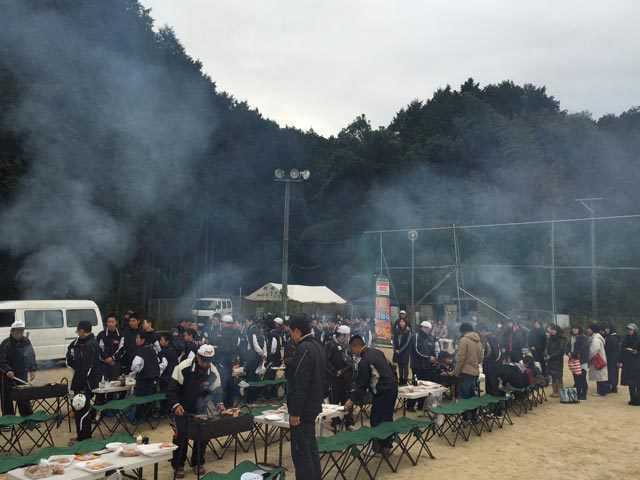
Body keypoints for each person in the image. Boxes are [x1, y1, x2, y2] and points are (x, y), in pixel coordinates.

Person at [167, 344, 224, 478]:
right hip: (182, 408)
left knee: (202, 436)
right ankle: (178, 465)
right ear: (197, 356)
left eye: (209, 361)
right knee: (181, 437)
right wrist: (176, 405)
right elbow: (171, 390)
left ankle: (198, 463)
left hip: (200, 409)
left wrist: (220, 403)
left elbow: (216, 391)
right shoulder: (183, 367)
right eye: (203, 360)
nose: (206, 364)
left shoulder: (213, 371)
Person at [286, 316, 325, 480]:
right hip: (313, 405)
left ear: (297, 331)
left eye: (290, 333)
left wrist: (295, 412)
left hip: (303, 410)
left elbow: (300, 383)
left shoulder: (304, 348)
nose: (290, 337)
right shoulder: (318, 345)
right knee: (310, 448)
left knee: (301, 453)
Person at [345, 336, 397, 454]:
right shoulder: (377, 352)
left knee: (376, 419)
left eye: (352, 349)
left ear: (357, 346)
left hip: (383, 391)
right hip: (392, 388)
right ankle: (387, 446)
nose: (353, 352)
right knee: (387, 418)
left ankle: (378, 447)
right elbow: (391, 368)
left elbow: (362, 385)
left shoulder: (364, 361)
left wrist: (351, 400)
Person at [66, 320, 101, 443]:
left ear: (82, 330)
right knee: (79, 408)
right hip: (81, 380)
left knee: (82, 409)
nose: (77, 333)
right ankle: (82, 436)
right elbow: (71, 361)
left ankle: (83, 438)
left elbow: (89, 367)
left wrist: (83, 384)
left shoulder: (90, 344)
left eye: (77, 331)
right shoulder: (81, 343)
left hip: (84, 383)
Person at [0, 320, 36, 416]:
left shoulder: (26, 341)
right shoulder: (6, 343)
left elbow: (31, 355)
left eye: (21, 331)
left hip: (22, 374)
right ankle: (8, 418)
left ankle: (27, 417)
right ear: (12, 331)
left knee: (24, 396)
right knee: (7, 398)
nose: (20, 334)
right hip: (7, 376)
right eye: (17, 331)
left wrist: (32, 369)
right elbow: (1, 360)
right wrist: (7, 370)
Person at [324, 325, 355, 430]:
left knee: (347, 400)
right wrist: (334, 371)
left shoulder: (348, 345)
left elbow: (351, 360)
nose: (348, 337)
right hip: (335, 380)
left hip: (347, 379)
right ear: (343, 335)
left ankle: (349, 423)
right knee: (334, 401)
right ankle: (335, 422)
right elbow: (325, 361)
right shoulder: (330, 345)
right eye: (347, 335)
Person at [407, 321, 439, 412]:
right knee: (416, 385)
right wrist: (428, 357)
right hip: (417, 366)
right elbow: (416, 351)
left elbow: (431, 350)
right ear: (423, 328)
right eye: (428, 329)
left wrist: (434, 358)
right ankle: (410, 406)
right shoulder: (415, 336)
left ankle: (421, 406)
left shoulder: (429, 338)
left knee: (425, 386)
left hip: (427, 366)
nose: (429, 331)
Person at [130, 332, 161, 420]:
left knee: (140, 398)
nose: (136, 340)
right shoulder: (152, 349)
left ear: (143, 340)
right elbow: (158, 361)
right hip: (152, 379)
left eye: (137, 338)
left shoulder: (140, 351)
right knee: (149, 398)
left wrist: (133, 374)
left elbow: (135, 366)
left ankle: (138, 416)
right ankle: (148, 416)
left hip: (142, 379)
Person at [453, 323, 483, 401]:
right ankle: (472, 409)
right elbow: (480, 359)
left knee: (464, 397)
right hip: (475, 372)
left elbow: (461, 357)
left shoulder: (464, 340)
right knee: (471, 397)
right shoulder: (478, 341)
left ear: (463, 331)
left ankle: (465, 410)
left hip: (466, 372)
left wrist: (457, 371)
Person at [216, 315, 239, 408]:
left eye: (222, 322)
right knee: (230, 382)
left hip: (223, 361)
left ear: (225, 323)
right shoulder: (235, 332)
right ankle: (230, 404)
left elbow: (224, 348)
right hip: (230, 361)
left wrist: (217, 350)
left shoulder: (224, 333)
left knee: (224, 383)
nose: (221, 324)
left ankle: (225, 405)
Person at [619, 323, 640, 405]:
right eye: (628, 329)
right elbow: (621, 350)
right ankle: (633, 399)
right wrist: (620, 361)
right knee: (630, 382)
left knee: (637, 383)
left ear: (635, 330)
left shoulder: (638, 338)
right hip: (627, 363)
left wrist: (636, 352)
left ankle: (638, 400)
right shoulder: (625, 338)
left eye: (631, 329)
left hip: (636, 364)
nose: (629, 330)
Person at [566, 324, 590, 400]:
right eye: (573, 328)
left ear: (579, 329)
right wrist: (568, 352)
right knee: (576, 378)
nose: (574, 330)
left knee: (582, 378)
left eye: (576, 328)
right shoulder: (572, 337)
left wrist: (573, 354)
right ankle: (578, 393)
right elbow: (567, 347)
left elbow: (583, 349)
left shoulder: (583, 337)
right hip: (573, 361)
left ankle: (584, 394)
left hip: (581, 361)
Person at [478, 323, 501, 397]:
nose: (480, 334)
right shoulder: (490, 338)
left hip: (491, 365)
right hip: (491, 364)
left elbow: (495, 353)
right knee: (490, 382)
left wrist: (487, 359)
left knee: (491, 382)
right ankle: (491, 395)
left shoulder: (491, 339)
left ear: (483, 331)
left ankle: (492, 398)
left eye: (480, 332)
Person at [545, 324, 566, 398]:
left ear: (557, 330)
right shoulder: (550, 338)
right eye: (551, 329)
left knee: (558, 376)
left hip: (557, 360)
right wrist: (547, 355)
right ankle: (554, 391)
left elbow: (560, 351)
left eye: (553, 330)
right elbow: (547, 348)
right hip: (550, 360)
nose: (552, 331)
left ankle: (560, 392)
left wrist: (551, 356)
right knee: (553, 376)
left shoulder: (562, 339)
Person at [587, 324, 608, 396]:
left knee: (600, 376)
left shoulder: (596, 339)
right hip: (599, 359)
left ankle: (602, 392)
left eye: (589, 329)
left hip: (598, 359)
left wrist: (588, 357)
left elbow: (593, 350)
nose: (588, 330)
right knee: (600, 375)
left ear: (593, 330)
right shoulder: (596, 337)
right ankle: (601, 391)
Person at [392, 317, 412, 385]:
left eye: (403, 321)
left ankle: (405, 380)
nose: (401, 323)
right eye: (400, 321)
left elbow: (406, 343)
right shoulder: (397, 331)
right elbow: (394, 340)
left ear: (406, 323)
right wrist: (395, 349)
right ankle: (401, 380)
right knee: (400, 366)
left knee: (405, 366)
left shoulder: (408, 332)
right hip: (397, 350)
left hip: (405, 351)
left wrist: (400, 350)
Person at [604, 324, 621, 393]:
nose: (606, 330)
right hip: (615, 358)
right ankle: (614, 387)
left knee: (611, 373)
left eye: (607, 328)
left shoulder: (611, 338)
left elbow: (608, 350)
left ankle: (612, 387)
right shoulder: (615, 337)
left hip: (611, 358)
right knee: (614, 373)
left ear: (611, 329)